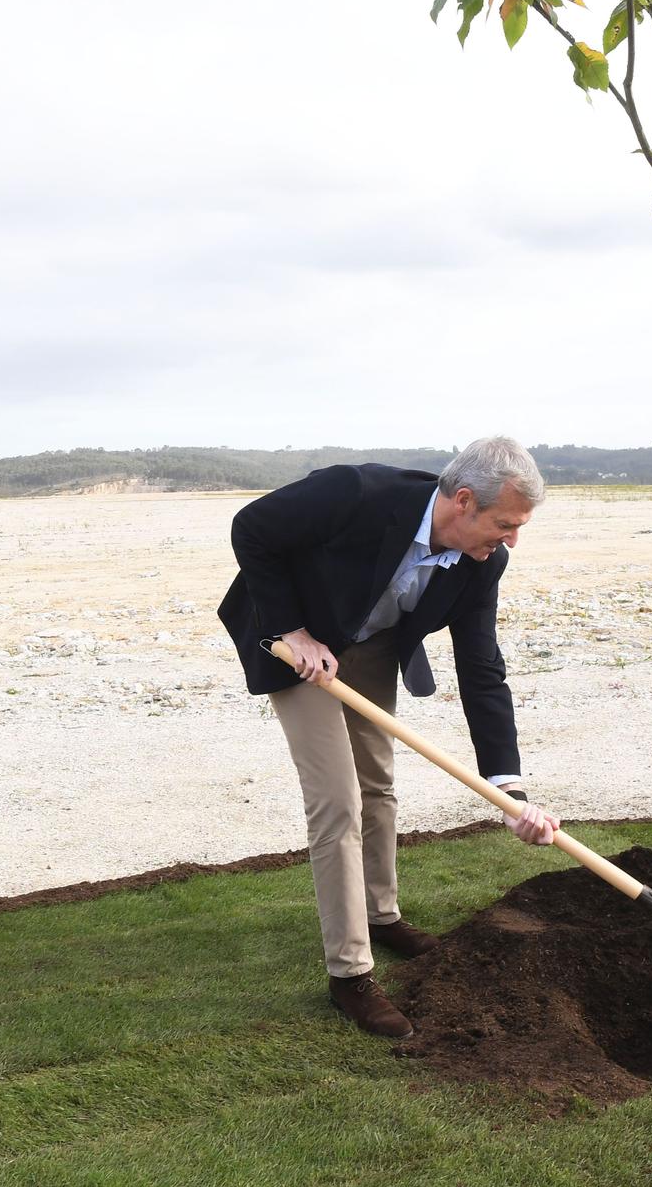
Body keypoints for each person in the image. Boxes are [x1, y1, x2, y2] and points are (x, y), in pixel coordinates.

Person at [218, 437, 561, 1039]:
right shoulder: (358, 494)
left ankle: (381, 915)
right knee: (338, 799)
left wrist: (508, 788)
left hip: (371, 642)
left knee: (377, 785)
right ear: (462, 502)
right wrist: (290, 628)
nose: (511, 541)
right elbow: (252, 528)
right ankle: (349, 973)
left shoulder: (485, 563)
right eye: (506, 525)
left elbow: (482, 669)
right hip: (296, 645)